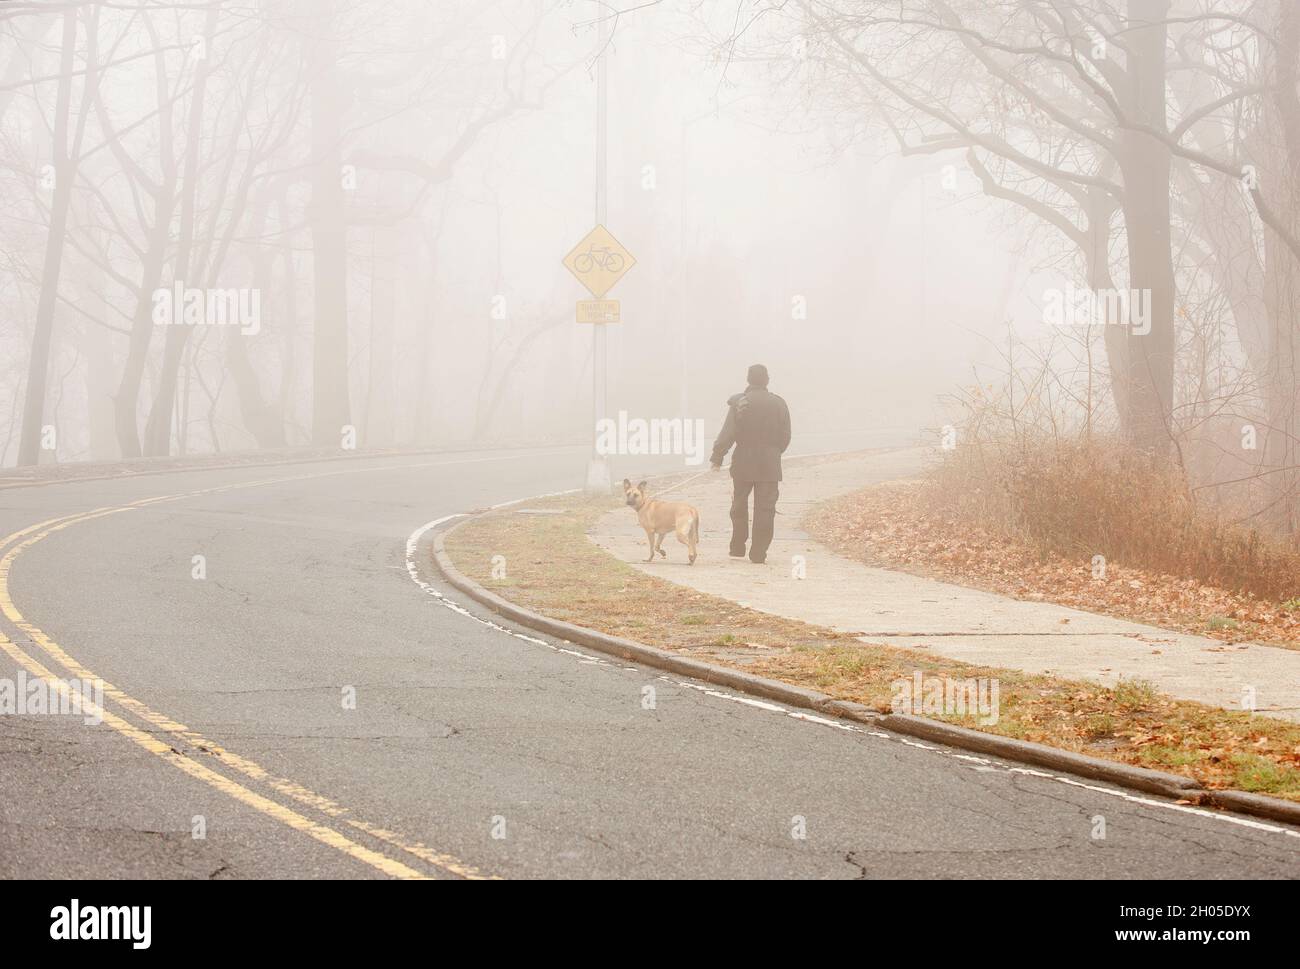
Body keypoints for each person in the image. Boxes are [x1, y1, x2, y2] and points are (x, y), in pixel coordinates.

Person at [709, 364, 791, 564]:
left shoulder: (741, 403)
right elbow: (786, 435)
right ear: (767, 380)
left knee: (739, 505)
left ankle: (737, 547)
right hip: (770, 464)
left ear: (748, 379)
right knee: (765, 508)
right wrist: (774, 451)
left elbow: (728, 432)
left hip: (744, 460)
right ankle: (758, 553)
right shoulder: (779, 403)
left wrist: (717, 456)